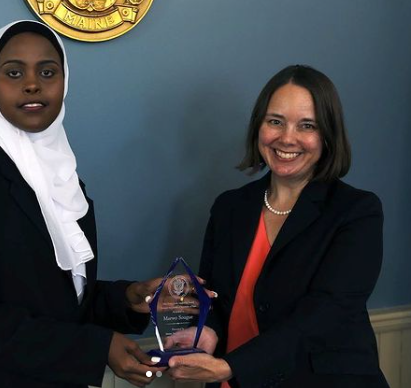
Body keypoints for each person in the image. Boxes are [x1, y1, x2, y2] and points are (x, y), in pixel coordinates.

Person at [0, 20, 164, 388]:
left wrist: (128, 298)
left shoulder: (65, 180)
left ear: (64, 82)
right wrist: (96, 347)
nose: (32, 84)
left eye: (47, 71)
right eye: (13, 72)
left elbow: (55, 298)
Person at [165, 65, 388, 388]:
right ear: (259, 127)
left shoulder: (357, 211)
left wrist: (231, 366)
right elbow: (216, 298)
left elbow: (325, 315)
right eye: (275, 121)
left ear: (327, 135)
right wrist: (208, 332)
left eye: (307, 125)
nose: (287, 138)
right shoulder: (229, 207)